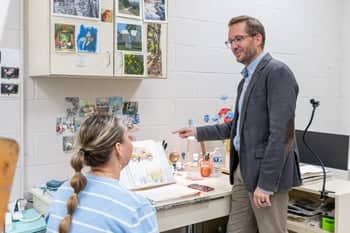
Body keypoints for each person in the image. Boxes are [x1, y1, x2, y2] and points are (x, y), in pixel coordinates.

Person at [173, 15, 301, 233]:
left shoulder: (277, 72)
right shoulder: (246, 80)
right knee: (237, 230)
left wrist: (266, 184)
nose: (233, 46)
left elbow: (281, 135)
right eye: (230, 41)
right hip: (243, 170)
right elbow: (237, 127)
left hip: (266, 174)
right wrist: (195, 132)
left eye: (238, 39)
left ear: (257, 38)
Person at [46, 114, 159, 233]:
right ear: (118, 148)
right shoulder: (136, 208)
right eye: (128, 137)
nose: (132, 141)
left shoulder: (62, 192)